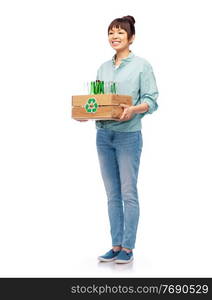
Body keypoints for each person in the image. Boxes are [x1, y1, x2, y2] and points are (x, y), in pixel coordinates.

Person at [78, 15, 159, 264]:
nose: (115, 36)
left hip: (128, 137)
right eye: (111, 32)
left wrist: (132, 109)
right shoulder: (103, 67)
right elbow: (100, 102)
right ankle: (115, 245)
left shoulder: (142, 66)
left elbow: (152, 100)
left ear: (131, 37)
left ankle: (128, 248)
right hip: (103, 135)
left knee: (128, 193)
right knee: (112, 194)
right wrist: (86, 113)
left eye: (120, 33)